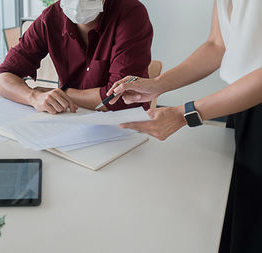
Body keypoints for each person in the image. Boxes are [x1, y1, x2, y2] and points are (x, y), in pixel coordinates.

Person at [107, 0, 262, 252]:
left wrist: (184, 113)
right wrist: (157, 84)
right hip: (239, 103)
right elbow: (217, 44)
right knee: (238, 212)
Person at [0, 0, 153, 114]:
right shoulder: (50, 18)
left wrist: (61, 94)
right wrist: (33, 97)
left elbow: (119, 98)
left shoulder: (131, 13)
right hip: (73, 118)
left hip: (125, 125)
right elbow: (2, 77)